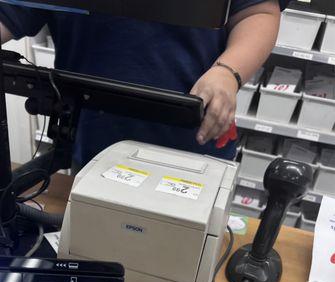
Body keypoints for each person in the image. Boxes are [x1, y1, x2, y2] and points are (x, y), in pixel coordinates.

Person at [0, 0, 289, 168]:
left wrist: (228, 72)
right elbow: (11, 12)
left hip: (195, 138)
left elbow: (257, 12)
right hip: (91, 136)